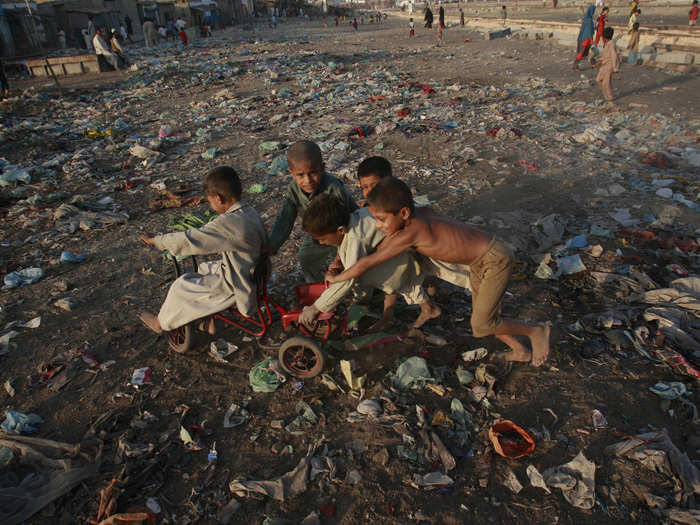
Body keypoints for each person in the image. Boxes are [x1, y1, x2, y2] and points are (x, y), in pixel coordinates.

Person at [326, 178, 552, 367]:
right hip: (480, 262)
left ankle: (535, 331)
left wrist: (337, 278)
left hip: (495, 260)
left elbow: (368, 262)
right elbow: (381, 247)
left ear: (404, 212)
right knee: (486, 315)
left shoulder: (411, 233)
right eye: (375, 219)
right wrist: (342, 258)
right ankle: (520, 351)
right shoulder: (419, 214)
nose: (379, 225)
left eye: (382, 219)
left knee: (482, 324)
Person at [138, 167, 268, 335]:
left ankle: (160, 322)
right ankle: (210, 320)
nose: (212, 206)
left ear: (218, 198)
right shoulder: (249, 211)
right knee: (204, 268)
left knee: (181, 286)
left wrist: (156, 240)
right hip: (255, 271)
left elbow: (192, 239)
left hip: (238, 282)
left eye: (210, 202)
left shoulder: (228, 224)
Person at [299, 195, 440, 331]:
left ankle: (428, 307)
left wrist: (315, 308)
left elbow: (348, 279)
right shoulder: (355, 219)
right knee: (386, 272)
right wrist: (338, 263)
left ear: (340, 230)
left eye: (322, 239)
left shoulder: (356, 238)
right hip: (408, 245)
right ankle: (420, 296)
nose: (321, 243)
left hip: (408, 251)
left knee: (382, 276)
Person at [268, 141, 358, 283]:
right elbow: (285, 220)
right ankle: (316, 287)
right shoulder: (293, 190)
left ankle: (358, 291)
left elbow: (347, 221)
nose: (308, 180)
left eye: (313, 173)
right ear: (291, 173)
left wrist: (340, 257)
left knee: (351, 263)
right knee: (305, 257)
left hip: (345, 233)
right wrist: (271, 247)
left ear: (322, 168)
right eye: (300, 175)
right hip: (320, 235)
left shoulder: (333, 187)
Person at [596, 26, 621, 104]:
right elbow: (605, 54)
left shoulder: (611, 44)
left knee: (606, 83)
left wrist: (615, 67)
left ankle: (609, 98)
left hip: (609, 66)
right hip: (604, 65)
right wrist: (598, 60)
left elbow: (614, 56)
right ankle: (606, 94)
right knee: (598, 80)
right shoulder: (607, 44)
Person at [573, 5, 596, 70]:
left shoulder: (586, 18)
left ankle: (593, 63)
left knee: (587, 52)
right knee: (584, 52)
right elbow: (589, 31)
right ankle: (575, 65)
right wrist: (591, 40)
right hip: (586, 39)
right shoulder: (589, 20)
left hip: (582, 38)